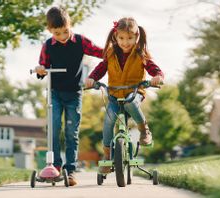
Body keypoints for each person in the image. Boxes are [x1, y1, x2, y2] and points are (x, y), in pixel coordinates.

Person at [85, 17, 164, 173]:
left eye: (129, 38)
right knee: (108, 120)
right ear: (116, 36)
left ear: (136, 37)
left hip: (134, 92)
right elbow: (101, 68)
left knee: (130, 103)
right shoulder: (110, 53)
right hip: (114, 93)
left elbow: (153, 68)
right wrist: (92, 78)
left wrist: (158, 77)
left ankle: (144, 130)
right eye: (121, 38)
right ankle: (107, 158)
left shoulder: (141, 53)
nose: (125, 42)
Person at [35, 6, 103, 185]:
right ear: (50, 30)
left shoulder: (80, 41)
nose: (63, 37)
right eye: (57, 33)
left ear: (70, 25)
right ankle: (55, 167)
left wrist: (116, 51)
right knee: (54, 129)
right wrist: (40, 69)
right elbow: (43, 67)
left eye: (65, 31)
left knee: (71, 132)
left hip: (74, 94)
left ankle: (70, 170)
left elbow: (100, 52)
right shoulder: (48, 46)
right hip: (55, 93)